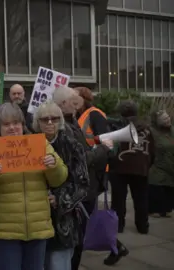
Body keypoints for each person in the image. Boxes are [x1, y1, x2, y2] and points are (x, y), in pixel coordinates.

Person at [0, 102, 68, 270]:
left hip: (37, 229)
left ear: (23, 125)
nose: (12, 128)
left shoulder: (41, 146)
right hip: (3, 232)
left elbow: (59, 179)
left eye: (16, 123)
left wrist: (54, 166)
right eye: (6, 124)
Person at [52, 86, 128, 268]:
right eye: (73, 99)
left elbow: (81, 152)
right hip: (80, 190)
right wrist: (102, 149)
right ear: (64, 104)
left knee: (79, 234)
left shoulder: (73, 121)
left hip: (85, 187)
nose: (77, 102)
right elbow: (81, 159)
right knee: (77, 237)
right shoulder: (66, 126)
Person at [32, 101, 89, 270]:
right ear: (37, 122)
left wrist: (59, 198)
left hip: (62, 223)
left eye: (54, 119)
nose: (50, 123)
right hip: (34, 223)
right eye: (45, 119)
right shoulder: (28, 144)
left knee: (58, 265)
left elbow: (83, 183)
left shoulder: (73, 146)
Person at [108, 100, 154, 234]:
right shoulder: (146, 128)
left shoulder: (117, 127)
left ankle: (118, 226)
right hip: (141, 167)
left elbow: (111, 147)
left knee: (118, 199)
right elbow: (152, 149)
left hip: (119, 167)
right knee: (141, 198)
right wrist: (147, 164)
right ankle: (142, 226)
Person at [148, 109, 174, 218]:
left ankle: (166, 208)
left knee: (169, 188)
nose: (167, 120)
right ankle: (154, 209)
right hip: (157, 166)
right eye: (164, 118)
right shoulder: (152, 132)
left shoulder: (172, 131)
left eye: (167, 117)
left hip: (170, 166)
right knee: (157, 186)